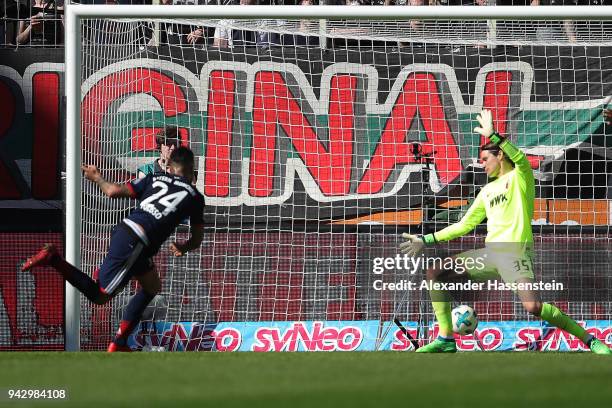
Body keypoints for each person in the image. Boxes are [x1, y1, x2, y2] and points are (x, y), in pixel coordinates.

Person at [400, 109, 611, 354]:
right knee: (435, 272)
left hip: (515, 254)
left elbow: (520, 157)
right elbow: (465, 225)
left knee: (533, 306)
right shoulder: (486, 191)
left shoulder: (520, 177)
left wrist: (495, 136)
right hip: (489, 256)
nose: (482, 164)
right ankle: (446, 339)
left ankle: (590, 341)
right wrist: (425, 239)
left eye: (485, 159)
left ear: (499, 155)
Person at [22, 146, 205, 352]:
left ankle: (119, 343)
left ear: (169, 168)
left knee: (152, 286)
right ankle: (54, 259)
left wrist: (97, 177)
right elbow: (197, 238)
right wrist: (184, 246)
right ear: (191, 170)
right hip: (137, 242)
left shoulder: (155, 178)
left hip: (126, 231)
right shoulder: (195, 197)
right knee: (100, 296)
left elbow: (113, 191)